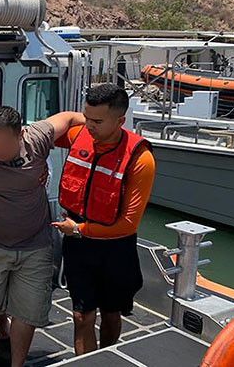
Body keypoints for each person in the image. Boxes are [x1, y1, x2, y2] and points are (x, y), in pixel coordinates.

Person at [0, 107, 85, 367]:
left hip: (35, 243)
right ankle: (4, 329)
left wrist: (99, 127)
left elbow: (69, 117)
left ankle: (16, 364)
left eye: (4, 143)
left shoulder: (37, 138)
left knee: (27, 312)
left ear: (20, 135)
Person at [52, 83, 155, 355]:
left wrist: (79, 230)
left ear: (120, 120)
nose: (89, 125)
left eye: (97, 121)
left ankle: (106, 358)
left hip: (115, 248)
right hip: (79, 246)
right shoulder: (79, 135)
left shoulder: (140, 159)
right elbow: (53, 129)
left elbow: (128, 224)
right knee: (81, 316)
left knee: (111, 314)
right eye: (86, 117)